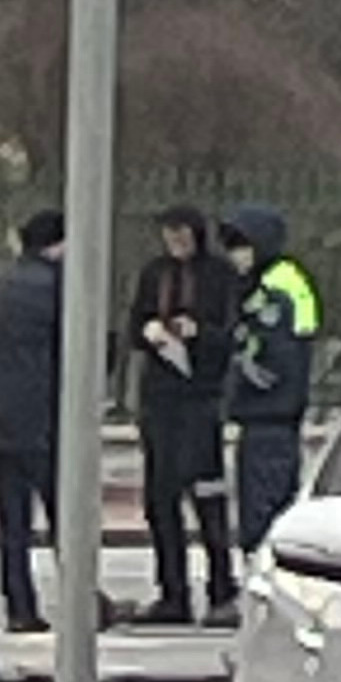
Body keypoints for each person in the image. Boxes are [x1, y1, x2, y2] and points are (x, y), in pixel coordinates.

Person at [122, 202, 241, 626]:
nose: (175, 244)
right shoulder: (155, 274)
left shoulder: (220, 277)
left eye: (181, 236)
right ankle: (172, 591)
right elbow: (135, 323)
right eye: (168, 236)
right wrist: (149, 331)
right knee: (161, 499)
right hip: (161, 395)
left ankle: (221, 587)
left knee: (207, 495)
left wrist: (200, 334)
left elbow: (231, 332)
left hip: (201, 395)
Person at [0, 209, 66, 634]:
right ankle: (82, 601)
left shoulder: (3, 286)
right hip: (47, 420)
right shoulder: (61, 287)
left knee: (14, 525)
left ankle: (19, 606)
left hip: (0, 421)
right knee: (66, 520)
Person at [220, 203, 319, 553]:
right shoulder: (277, 281)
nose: (236, 256)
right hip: (270, 416)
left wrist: (237, 368)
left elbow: (269, 358)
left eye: (241, 245)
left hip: (270, 416)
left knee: (263, 521)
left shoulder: (276, 289)